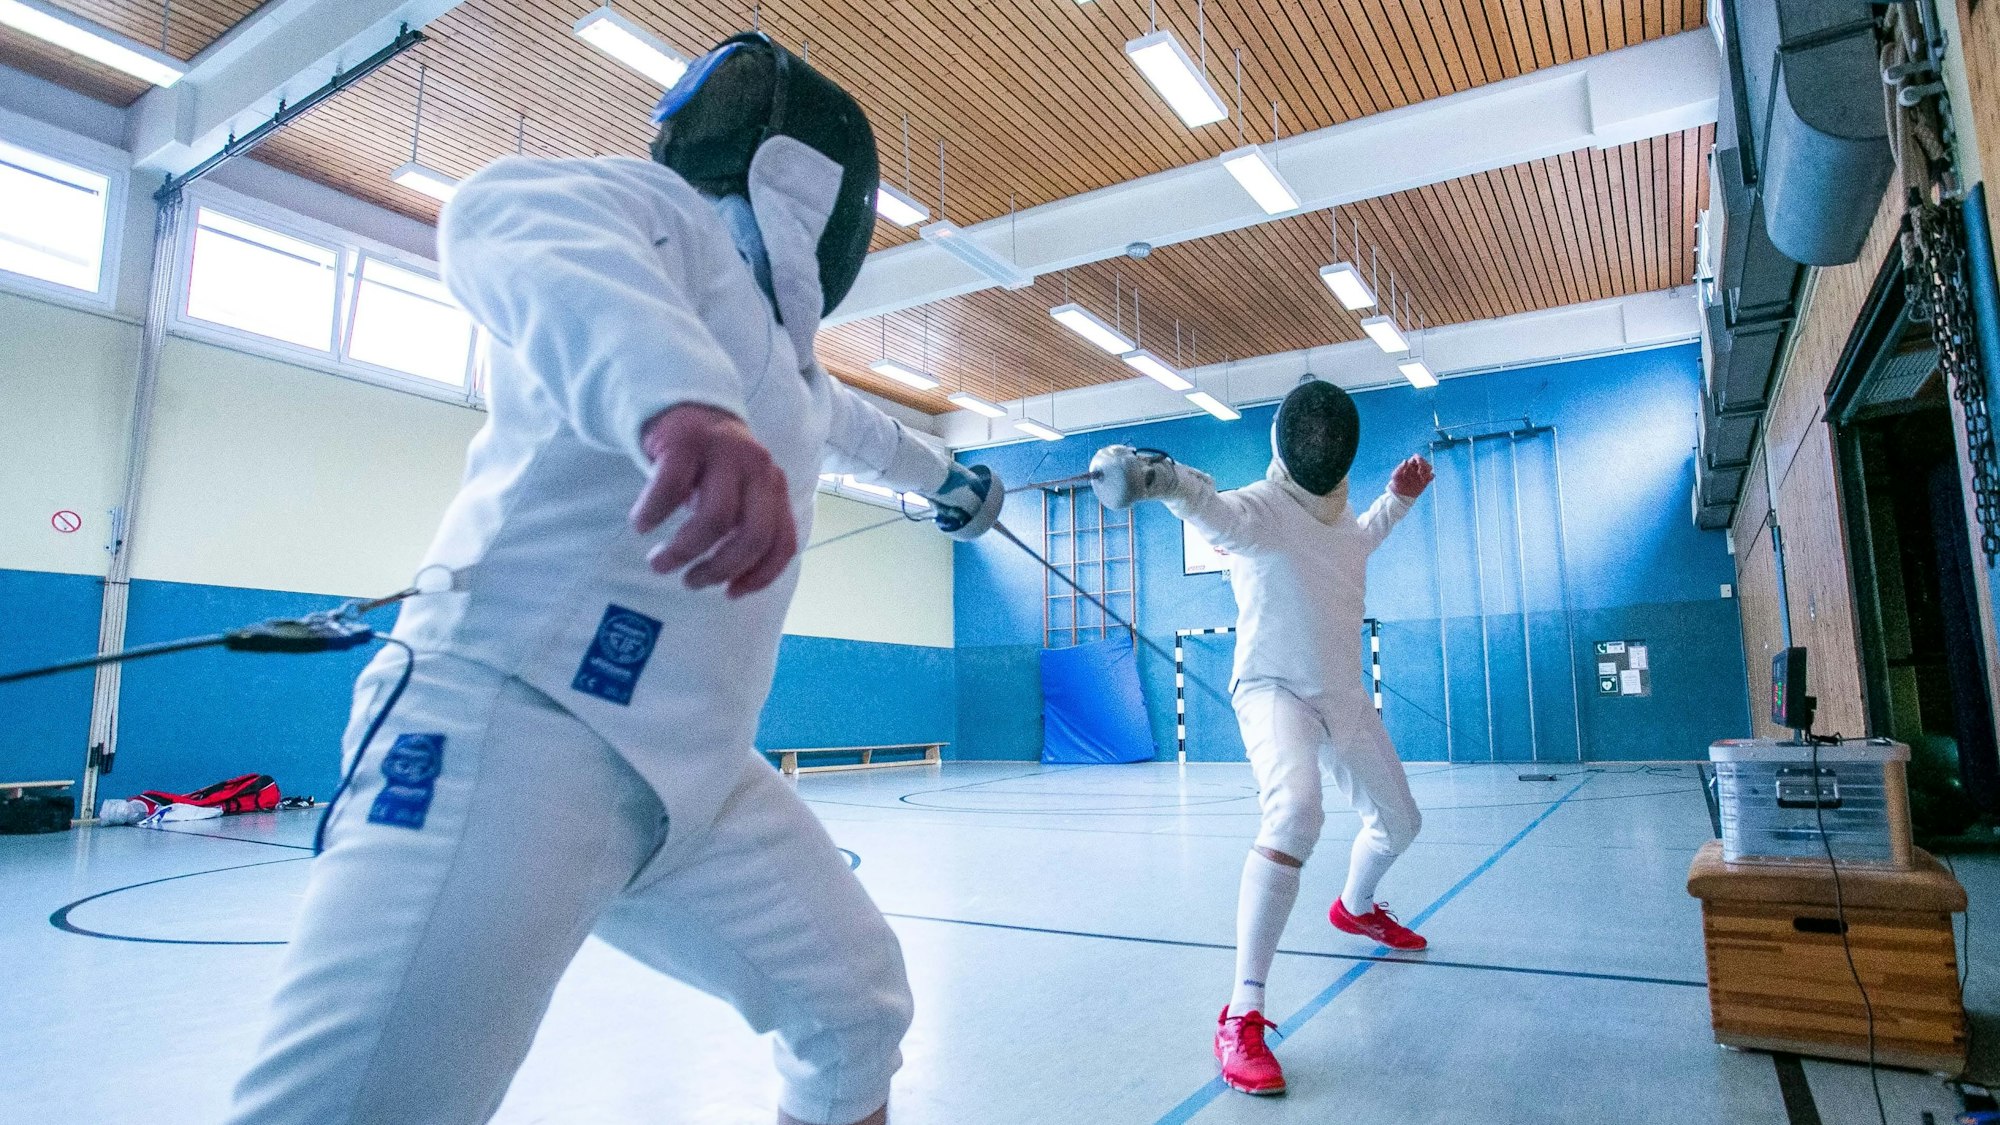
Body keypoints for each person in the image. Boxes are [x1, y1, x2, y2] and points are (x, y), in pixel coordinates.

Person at [224, 33, 1002, 1125]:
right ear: (812, 184)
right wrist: (680, 403)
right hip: (505, 729)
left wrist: (953, 479)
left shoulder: (793, 370)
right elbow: (504, 216)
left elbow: (865, 434)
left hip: (698, 777)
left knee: (853, 1013)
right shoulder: (658, 224)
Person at [1091, 379, 1434, 1097]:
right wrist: (1162, 477)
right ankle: (1241, 1012)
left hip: (1342, 695)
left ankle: (1357, 907)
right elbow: (1207, 510)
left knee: (1402, 822)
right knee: (1295, 812)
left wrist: (1400, 496)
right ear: (1289, 442)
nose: (1317, 445)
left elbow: (1364, 535)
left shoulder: (1340, 521)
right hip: (1274, 687)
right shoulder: (1260, 508)